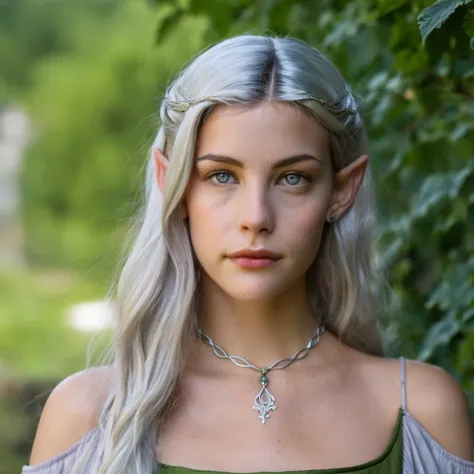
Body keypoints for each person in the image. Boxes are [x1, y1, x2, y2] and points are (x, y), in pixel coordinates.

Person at [22, 34, 474, 474]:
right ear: (173, 185)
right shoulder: (87, 417)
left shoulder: (422, 414)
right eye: (221, 176)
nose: (256, 217)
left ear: (341, 190)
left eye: (292, 178)